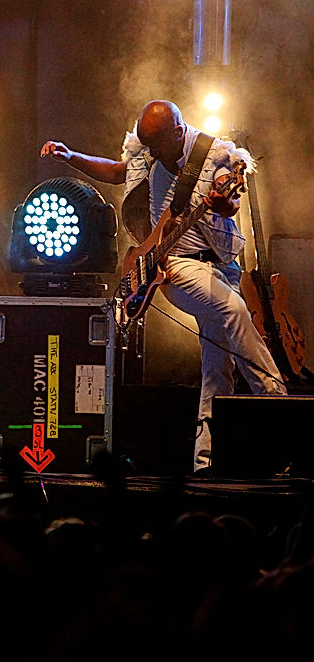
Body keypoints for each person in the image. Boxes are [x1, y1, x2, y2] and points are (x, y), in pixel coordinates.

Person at [41, 100, 286, 472]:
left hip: (221, 266)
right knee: (233, 310)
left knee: (216, 366)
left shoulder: (214, 154)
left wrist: (222, 204)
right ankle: (278, 401)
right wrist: (71, 156)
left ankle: (205, 460)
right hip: (172, 264)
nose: (151, 153)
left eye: (157, 144)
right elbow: (118, 171)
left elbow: (231, 201)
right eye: (147, 145)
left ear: (178, 131)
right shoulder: (148, 151)